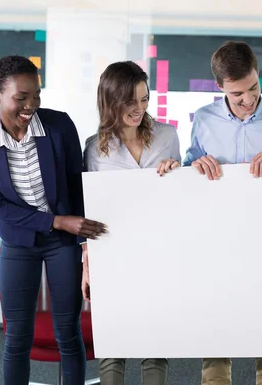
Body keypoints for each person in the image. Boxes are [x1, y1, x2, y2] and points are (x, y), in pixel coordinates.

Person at [0, 55, 107, 385]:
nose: (31, 105)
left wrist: (85, 245)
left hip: (63, 244)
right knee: (17, 338)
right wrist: (57, 221)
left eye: (36, 95)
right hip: (19, 243)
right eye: (21, 97)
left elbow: (78, 184)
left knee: (67, 333)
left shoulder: (58, 126)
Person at [183, 41, 262, 385]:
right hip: (217, 236)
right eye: (238, 93)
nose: (248, 99)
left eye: (253, 87)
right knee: (217, 329)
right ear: (220, 87)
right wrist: (196, 163)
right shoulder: (204, 120)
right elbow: (187, 175)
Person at [81, 61, 179, 385]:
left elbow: (184, 195)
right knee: (113, 343)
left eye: (144, 99)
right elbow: (90, 210)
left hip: (159, 248)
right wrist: (87, 263)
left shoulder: (167, 136)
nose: (139, 108)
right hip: (114, 252)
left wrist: (177, 169)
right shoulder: (94, 149)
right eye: (131, 101)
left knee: (156, 341)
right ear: (111, 101)